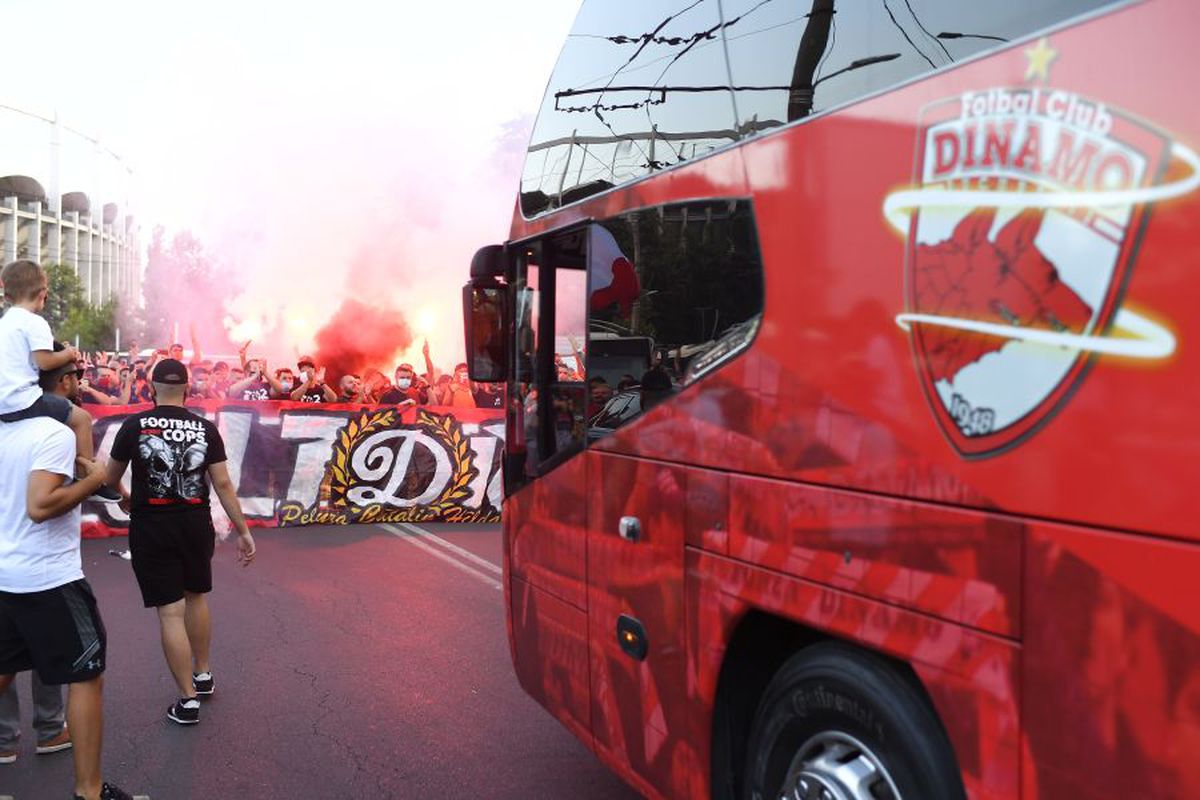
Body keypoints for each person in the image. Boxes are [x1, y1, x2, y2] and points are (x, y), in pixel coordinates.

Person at [0, 381, 137, 798]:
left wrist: (104, 485)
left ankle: (45, 733)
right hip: (48, 578)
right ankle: (89, 792)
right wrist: (94, 479)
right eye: (74, 374)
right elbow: (40, 506)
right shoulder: (54, 433)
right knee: (86, 675)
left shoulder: (9, 431)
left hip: (7, 574)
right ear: (60, 383)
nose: (79, 383)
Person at [104, 359, 257, 727]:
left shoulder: (135, 425)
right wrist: (243, 530)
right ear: (187, 389)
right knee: (196, 597)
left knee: (170, 611)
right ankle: (203, 674)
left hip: (152, 526)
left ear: (151, 387)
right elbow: (223, 484)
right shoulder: (205, 428)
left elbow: (108, 477)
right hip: (194, 524)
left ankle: (188, 701)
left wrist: (125, 495)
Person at [0, 260, 117, 502]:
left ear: (7, 293)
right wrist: (69, 354)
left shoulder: (5, 323)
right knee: (82, 419)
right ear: (43, 293)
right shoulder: (34, 322)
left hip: (4, 404)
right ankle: (87, 479)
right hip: (23, 401)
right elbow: (45, 362)